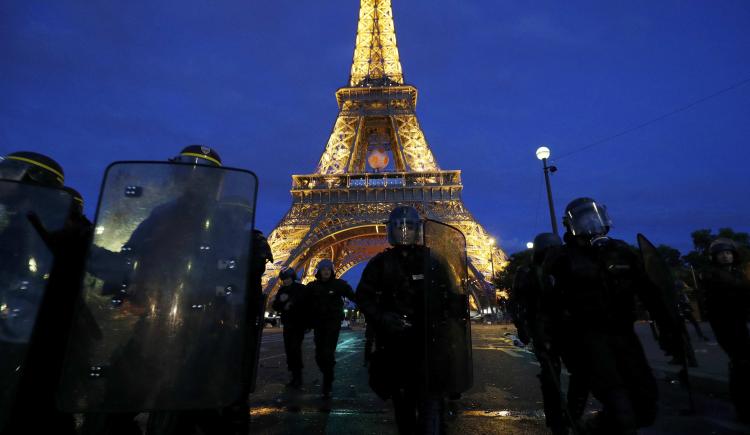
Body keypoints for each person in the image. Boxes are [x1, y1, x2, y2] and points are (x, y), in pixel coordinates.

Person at [542, 197, 685, 435]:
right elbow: (549, 303)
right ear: (570, 225)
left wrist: (670, 329)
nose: (591, 225)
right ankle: (596, 424)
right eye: (584, 220)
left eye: (594, 218)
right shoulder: (562, 258)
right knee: (618, 401)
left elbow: (651, 291)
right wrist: (550, 340)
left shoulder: (620, 252)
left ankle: (597, 425)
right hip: (588, 338)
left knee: (646, 402)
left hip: (624, 334)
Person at [357, 205, 471, 434]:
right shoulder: (382, 263)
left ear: (418, 229)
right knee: (405, 405)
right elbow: (364, 297)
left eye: (409, 226)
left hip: (428, 343)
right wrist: (384, 318)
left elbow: (449, 294)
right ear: (391, 230)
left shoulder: (432, 260)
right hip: (397, 344)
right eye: (400, 227)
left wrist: (453, 312)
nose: (405, 231)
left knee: (430, 403)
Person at [0, 151, 84, 434]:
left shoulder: (60, 230)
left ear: (33, 178)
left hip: (29, 338)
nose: (2, 178)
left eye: (10, 171)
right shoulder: (18, 221)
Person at [510, 232, 587, 435]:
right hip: (546, 332)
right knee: (555, 375)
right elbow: (519, 303)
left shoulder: (559, 269)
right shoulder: (529, 273)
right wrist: (524, 328)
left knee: (566, 374)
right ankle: (559, 420)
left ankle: (569, 415)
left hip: (561, 329)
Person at [699, 238, 750, 422]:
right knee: (741, 364)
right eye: (721, 254)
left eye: (728, 253)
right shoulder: (713, 275)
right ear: (714, 257)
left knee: (744, 364)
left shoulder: (737, 274)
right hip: (726, 326)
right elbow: (736, 293)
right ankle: (743, 409)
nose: (726, 256)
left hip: (739, 323)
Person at [306, 259, 355, 398]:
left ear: (332, 271)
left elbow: (354, 296)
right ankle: (328, 371)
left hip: (332, 324)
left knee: (327, 352)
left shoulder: (339, 285)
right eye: (323, 269)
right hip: (319, 324)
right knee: (319, 355)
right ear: (319, 272)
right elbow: (303, 302)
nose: (326, 271)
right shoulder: (312, 286)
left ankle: (327, 382)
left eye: (328, 269)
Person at [271, 267, 308, 389]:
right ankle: (294, 376)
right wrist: (281, 303)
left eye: (287, 278)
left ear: (292, 277)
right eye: (283, 279)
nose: (285, 281)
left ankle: (298, 377)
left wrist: (291, 304)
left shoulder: (301, 289)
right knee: (289, 350)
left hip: (298, 324)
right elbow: (276, 306)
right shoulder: (282, 290)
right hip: (288, 324)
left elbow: (307, 305)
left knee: (295, 349)